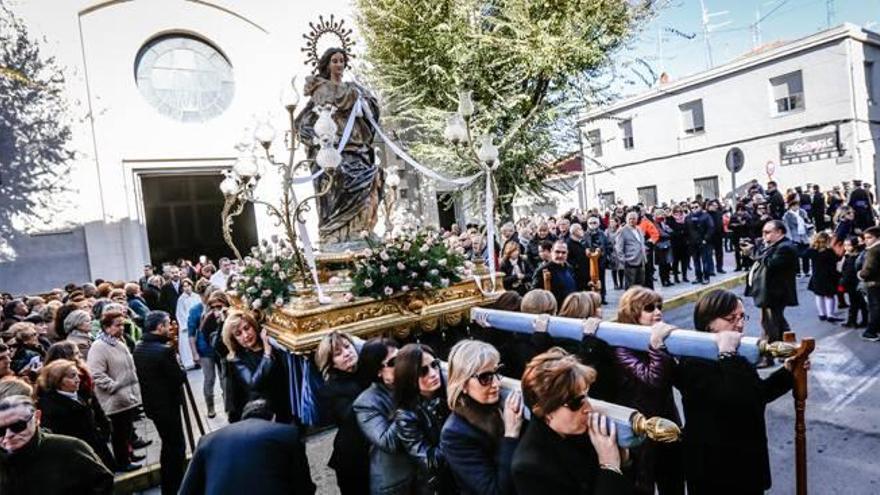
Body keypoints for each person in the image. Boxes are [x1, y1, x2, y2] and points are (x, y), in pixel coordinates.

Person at [675, 289, 806, 495]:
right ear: (708, 323)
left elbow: (756, 396)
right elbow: (734, 399)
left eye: (741, 316)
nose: (739, 323)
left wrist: (788, 372)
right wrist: (727, 354)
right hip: (714, 469)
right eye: (730, 318)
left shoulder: (737, 356)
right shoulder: (693, 360)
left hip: (747, 463)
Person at [294, 47, 383, 244]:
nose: (339, 64)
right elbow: (306, 122)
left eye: (342, 60)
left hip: (357, 145)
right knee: (338, 185)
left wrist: (364, 103)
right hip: (334, 149)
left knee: (369, 182)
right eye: (334, 60)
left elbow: (373, 108)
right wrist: (320, 141)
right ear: (327, 64)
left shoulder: (354, 89)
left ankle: (361, 230)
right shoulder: (321, 89)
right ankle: (336, 233)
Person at [511, 348, 631, 494]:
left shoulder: (583, 431)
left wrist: (623, 459)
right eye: (576, 402)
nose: (588, 408)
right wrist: (609, 466)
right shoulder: (529, 468)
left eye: (586, 396)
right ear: (546, 411)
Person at [613, 288, 683, 495]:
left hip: (667, 416)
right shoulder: (621, 344)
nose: (658, 312)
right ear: (633, 312)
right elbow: (652, 379)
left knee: (674, 479)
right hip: (641, 424)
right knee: (644, 483)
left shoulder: (660, 337)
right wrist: (656, 346)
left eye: (659, 306)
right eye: (649, 308)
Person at [179, 399, 315, 495]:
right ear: (273, 418)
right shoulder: (286, 433)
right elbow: (303, 486)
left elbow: (186, 491)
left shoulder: (206, 441)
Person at [440, 340, 522, 495]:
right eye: (485, 377)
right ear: (463, 384)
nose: (496, 384)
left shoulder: (498, 406)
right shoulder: (454, 434)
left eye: (497, 372)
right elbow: (495, 491)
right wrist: (511, 434)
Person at [0, 394, 115, 494]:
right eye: (1, 431)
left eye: (18, 426)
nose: (8, 434)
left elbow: (103, 484)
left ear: (37, 417)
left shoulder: (70, 449)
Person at [132, 311, 186, 494]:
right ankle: (175, 486)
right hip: (167, 405)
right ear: (160, 327)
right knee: (176, 446)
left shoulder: (139, 346)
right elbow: (179, 377)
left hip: (153, 405)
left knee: (168, 444)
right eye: (167, 324)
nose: (170, 328)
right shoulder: (164, 350)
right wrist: (179, 364)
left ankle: (170, 485)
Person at [353, 338, 416, 495]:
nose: (403, 364)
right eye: (394, 362)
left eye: (403, 357)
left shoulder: (419, 379)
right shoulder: (366, 402)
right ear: (378, 371)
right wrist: (405, 399)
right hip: (397, 484)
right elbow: (389, 442)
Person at [86, 310, 143, 472]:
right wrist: (114, 387)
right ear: (106, 327)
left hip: (127, 396)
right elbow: (96, 374)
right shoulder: (99, 347)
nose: (121, 328)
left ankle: (129, 455)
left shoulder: (118, 342)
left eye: (122, 324)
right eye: (117, 325)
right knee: (119, 433)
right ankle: (123, 462)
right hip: (115, 399)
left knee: (127, 430)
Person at [315, 332, 371, 494]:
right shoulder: (330, 389)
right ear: (332, 363)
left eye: (347, 347)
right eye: (338, 354)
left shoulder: (366, 371)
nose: (347, 353)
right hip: (353, 457)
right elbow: (349, 416)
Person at [393, 343, 452, 494]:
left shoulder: (449, 395)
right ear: (409, 377)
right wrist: (457, 435)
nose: (433, 373)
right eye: (423, 371)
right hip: (438, 486)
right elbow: (430, 462)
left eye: (435, 365)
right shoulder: (405, 416)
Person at [34, 359, 115, 470]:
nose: (77, 379)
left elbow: (97, 416)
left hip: (98, 448)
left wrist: (104, 431)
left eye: (77, 375)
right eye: (72, 376)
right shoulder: (49, 405)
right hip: (78, 456)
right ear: (58, 380)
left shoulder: (82, 393)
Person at [744, 220, 799, 366]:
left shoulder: (785, 248)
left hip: (775, 293)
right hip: (768, 292)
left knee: (769, 326)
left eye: (767, 232)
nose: (764, 236)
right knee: (778, 323)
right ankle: (788, 351)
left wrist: (754, 251)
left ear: (779, 232)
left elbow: (771, 264)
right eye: (763, 232)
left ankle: (767, 357)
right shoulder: (773, 246)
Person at [221, 310, 291, 422]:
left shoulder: (270, 344)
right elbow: (254, 383)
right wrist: (267, 355)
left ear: (253, 326)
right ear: (234, 339)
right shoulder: (236, 359)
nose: (246, 335)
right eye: (238, 334)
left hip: (284, 408)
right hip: (261, 416)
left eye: (247, 328)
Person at [191, 289, 227, 418]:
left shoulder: (227, 314)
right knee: (209, 378)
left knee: (224, 379)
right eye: (213, 307)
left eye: (219, 306)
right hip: (206, 349)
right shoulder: (202, 314)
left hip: (221, 350)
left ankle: (227, 405)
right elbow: (194, 333)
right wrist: (195, 352)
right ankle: (210, 407)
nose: (216, 309)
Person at [805, 232, 842, 322]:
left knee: (819, 295)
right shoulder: (829, 252)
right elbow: (837, 259)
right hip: (829, 276)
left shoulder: (812, 251)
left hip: (817, 276)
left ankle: (822, 314)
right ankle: (830, 315)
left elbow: (804, 254)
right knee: (830, 296)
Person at [531, 239, 578, 306]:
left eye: (563, 252)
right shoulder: (543, 270)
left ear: (567, 253)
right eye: (557, 252)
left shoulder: (570, 268)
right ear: (551, 252)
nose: (560, 255)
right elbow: (534, 295)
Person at [857, 226, 880, 341]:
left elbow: (868, 270)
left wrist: (860, 274)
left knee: (875, 308)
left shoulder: (873, 251)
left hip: (873, 284)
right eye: (865, 238)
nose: (866, 240)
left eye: (869, 237)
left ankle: (871, 332)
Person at [841, 237, 868, 328]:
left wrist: (842, 283)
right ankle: (857, 321)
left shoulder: (854, 257)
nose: (846, 247)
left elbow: (849, 272)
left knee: (857, 303)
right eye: (845, 245)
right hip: (853, 283)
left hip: (854, 283)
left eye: (848, 245)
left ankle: (856, 321)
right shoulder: (850, 256)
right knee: (857, 303)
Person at [782, 198, 814, 277]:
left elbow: (808, 221)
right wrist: (790, 238)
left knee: (806, 255)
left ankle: (806, 271)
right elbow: (787, 227)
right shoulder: (787, 215)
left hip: (804, 235)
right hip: (794, 236)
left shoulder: (802, 212)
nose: (796, 207)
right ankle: (798, 272)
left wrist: (810, 232)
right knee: (795, 255)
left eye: (797, 205)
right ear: (790, 206)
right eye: (794, 206)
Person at [583, 215, 611, 302]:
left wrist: (605, 255)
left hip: (601, 260)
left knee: (601, 279)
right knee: (590, 279)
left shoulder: (602, 234)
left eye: (594, 223)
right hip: (589, 261)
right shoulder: (585, 234)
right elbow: (583, 246)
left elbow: (608, 245)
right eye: (590, 223)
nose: (592, 224)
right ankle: (592, 297)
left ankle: (602, 296)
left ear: (598, 224)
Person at [615, 211, 647, 288]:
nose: (632, 220)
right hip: (630, 262)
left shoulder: (639, 229)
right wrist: (624, 261)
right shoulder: (622, 231)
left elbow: (641, 243)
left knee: (640, 284)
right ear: (626, 220)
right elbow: (619, 248)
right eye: (630, 219)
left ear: (637, 219)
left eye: (634, 219)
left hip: (641, 261)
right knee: (631, 286)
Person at [685, 201, 714, 285]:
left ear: (700, 207)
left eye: (696, 207)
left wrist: (706, 239)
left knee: (705, 260)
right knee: (695, 261)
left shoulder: (706, 216)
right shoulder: (689, 217)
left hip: (703, 242)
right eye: (692, 207)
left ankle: (706, 277)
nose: (694, 209)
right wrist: (688, 240)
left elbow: (711, 228)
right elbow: (686, 230)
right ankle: (698, 277)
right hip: (693, 243)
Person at [174, 278, 200, 369]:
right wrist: (185, 324)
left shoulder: (197, 296)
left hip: (197, 322)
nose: (186, 288)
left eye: (188, 286)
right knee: (187, 344)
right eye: (184, 286)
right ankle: (190, 361)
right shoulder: (181, 299)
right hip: (188, 323)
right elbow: (180, 313)